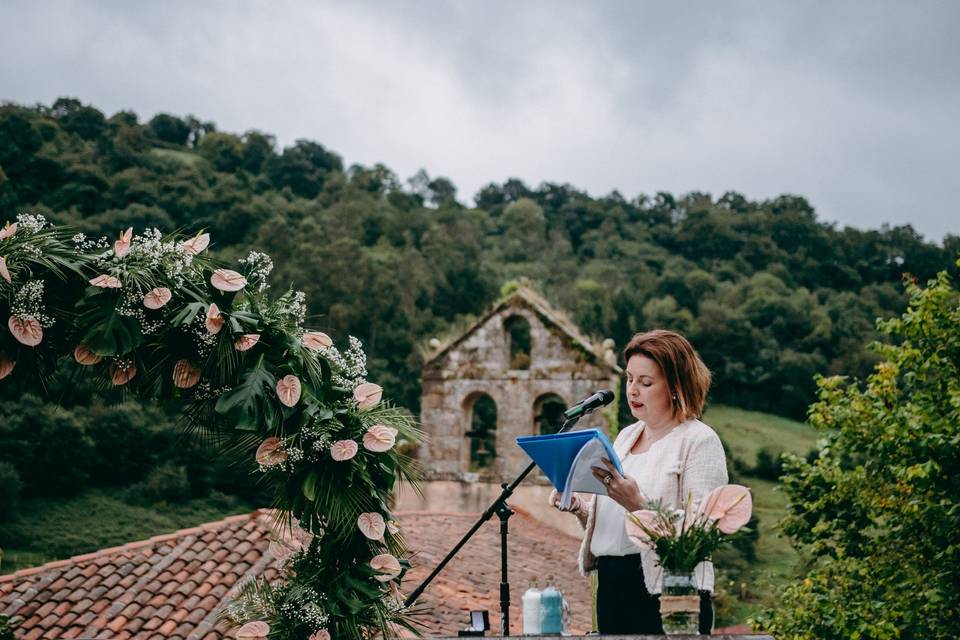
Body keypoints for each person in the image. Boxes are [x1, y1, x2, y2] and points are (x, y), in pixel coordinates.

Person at [549, 329, 728, 634]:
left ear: (675, 387)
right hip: (611, 586)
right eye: (630, 379)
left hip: (668, 593)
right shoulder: (625, 437)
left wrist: (638, 504)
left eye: (646, 383)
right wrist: (579, 506)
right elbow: (616, 523)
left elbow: (702, 533)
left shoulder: (699, 441)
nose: (633, 390)